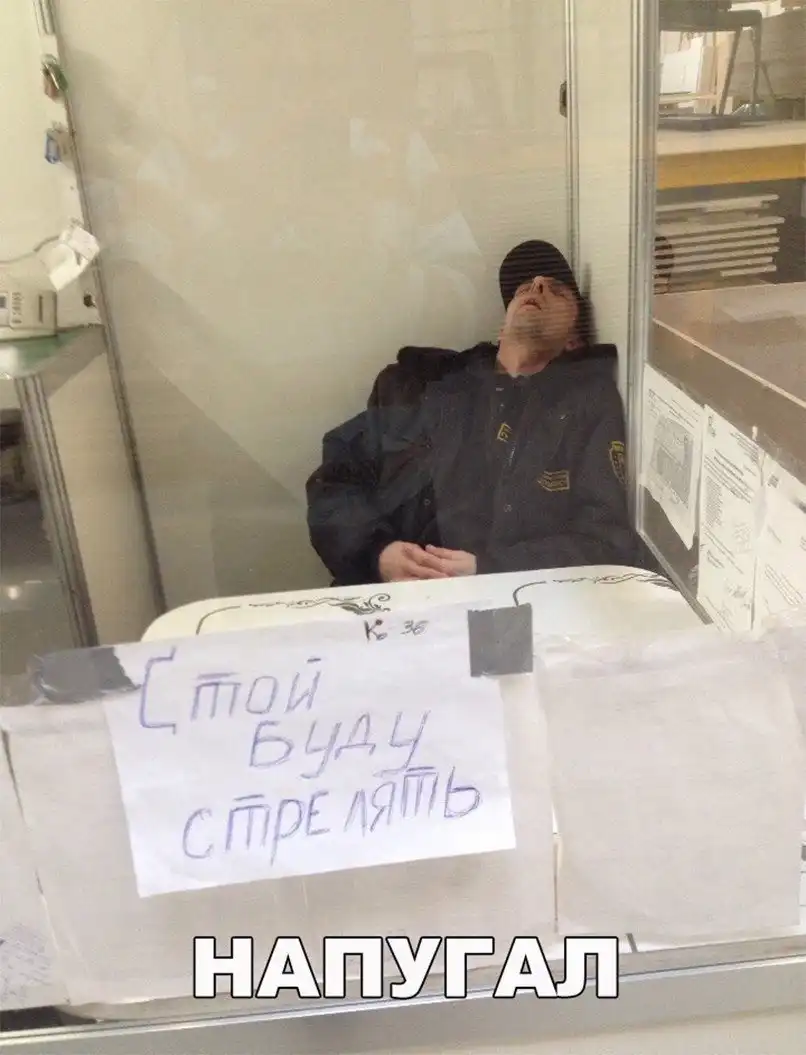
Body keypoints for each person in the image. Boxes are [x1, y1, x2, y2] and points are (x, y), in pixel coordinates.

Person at [306, 240, 649, 585]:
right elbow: (335, 481)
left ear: (573, 340)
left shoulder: (585, 407)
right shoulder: (419, 385)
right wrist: (377, 554)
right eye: (524, 289)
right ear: (502, 329)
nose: (537, 286)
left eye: (556, 291)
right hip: (388, 599)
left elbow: (605, 542)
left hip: (512, 601)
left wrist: (491, 569)